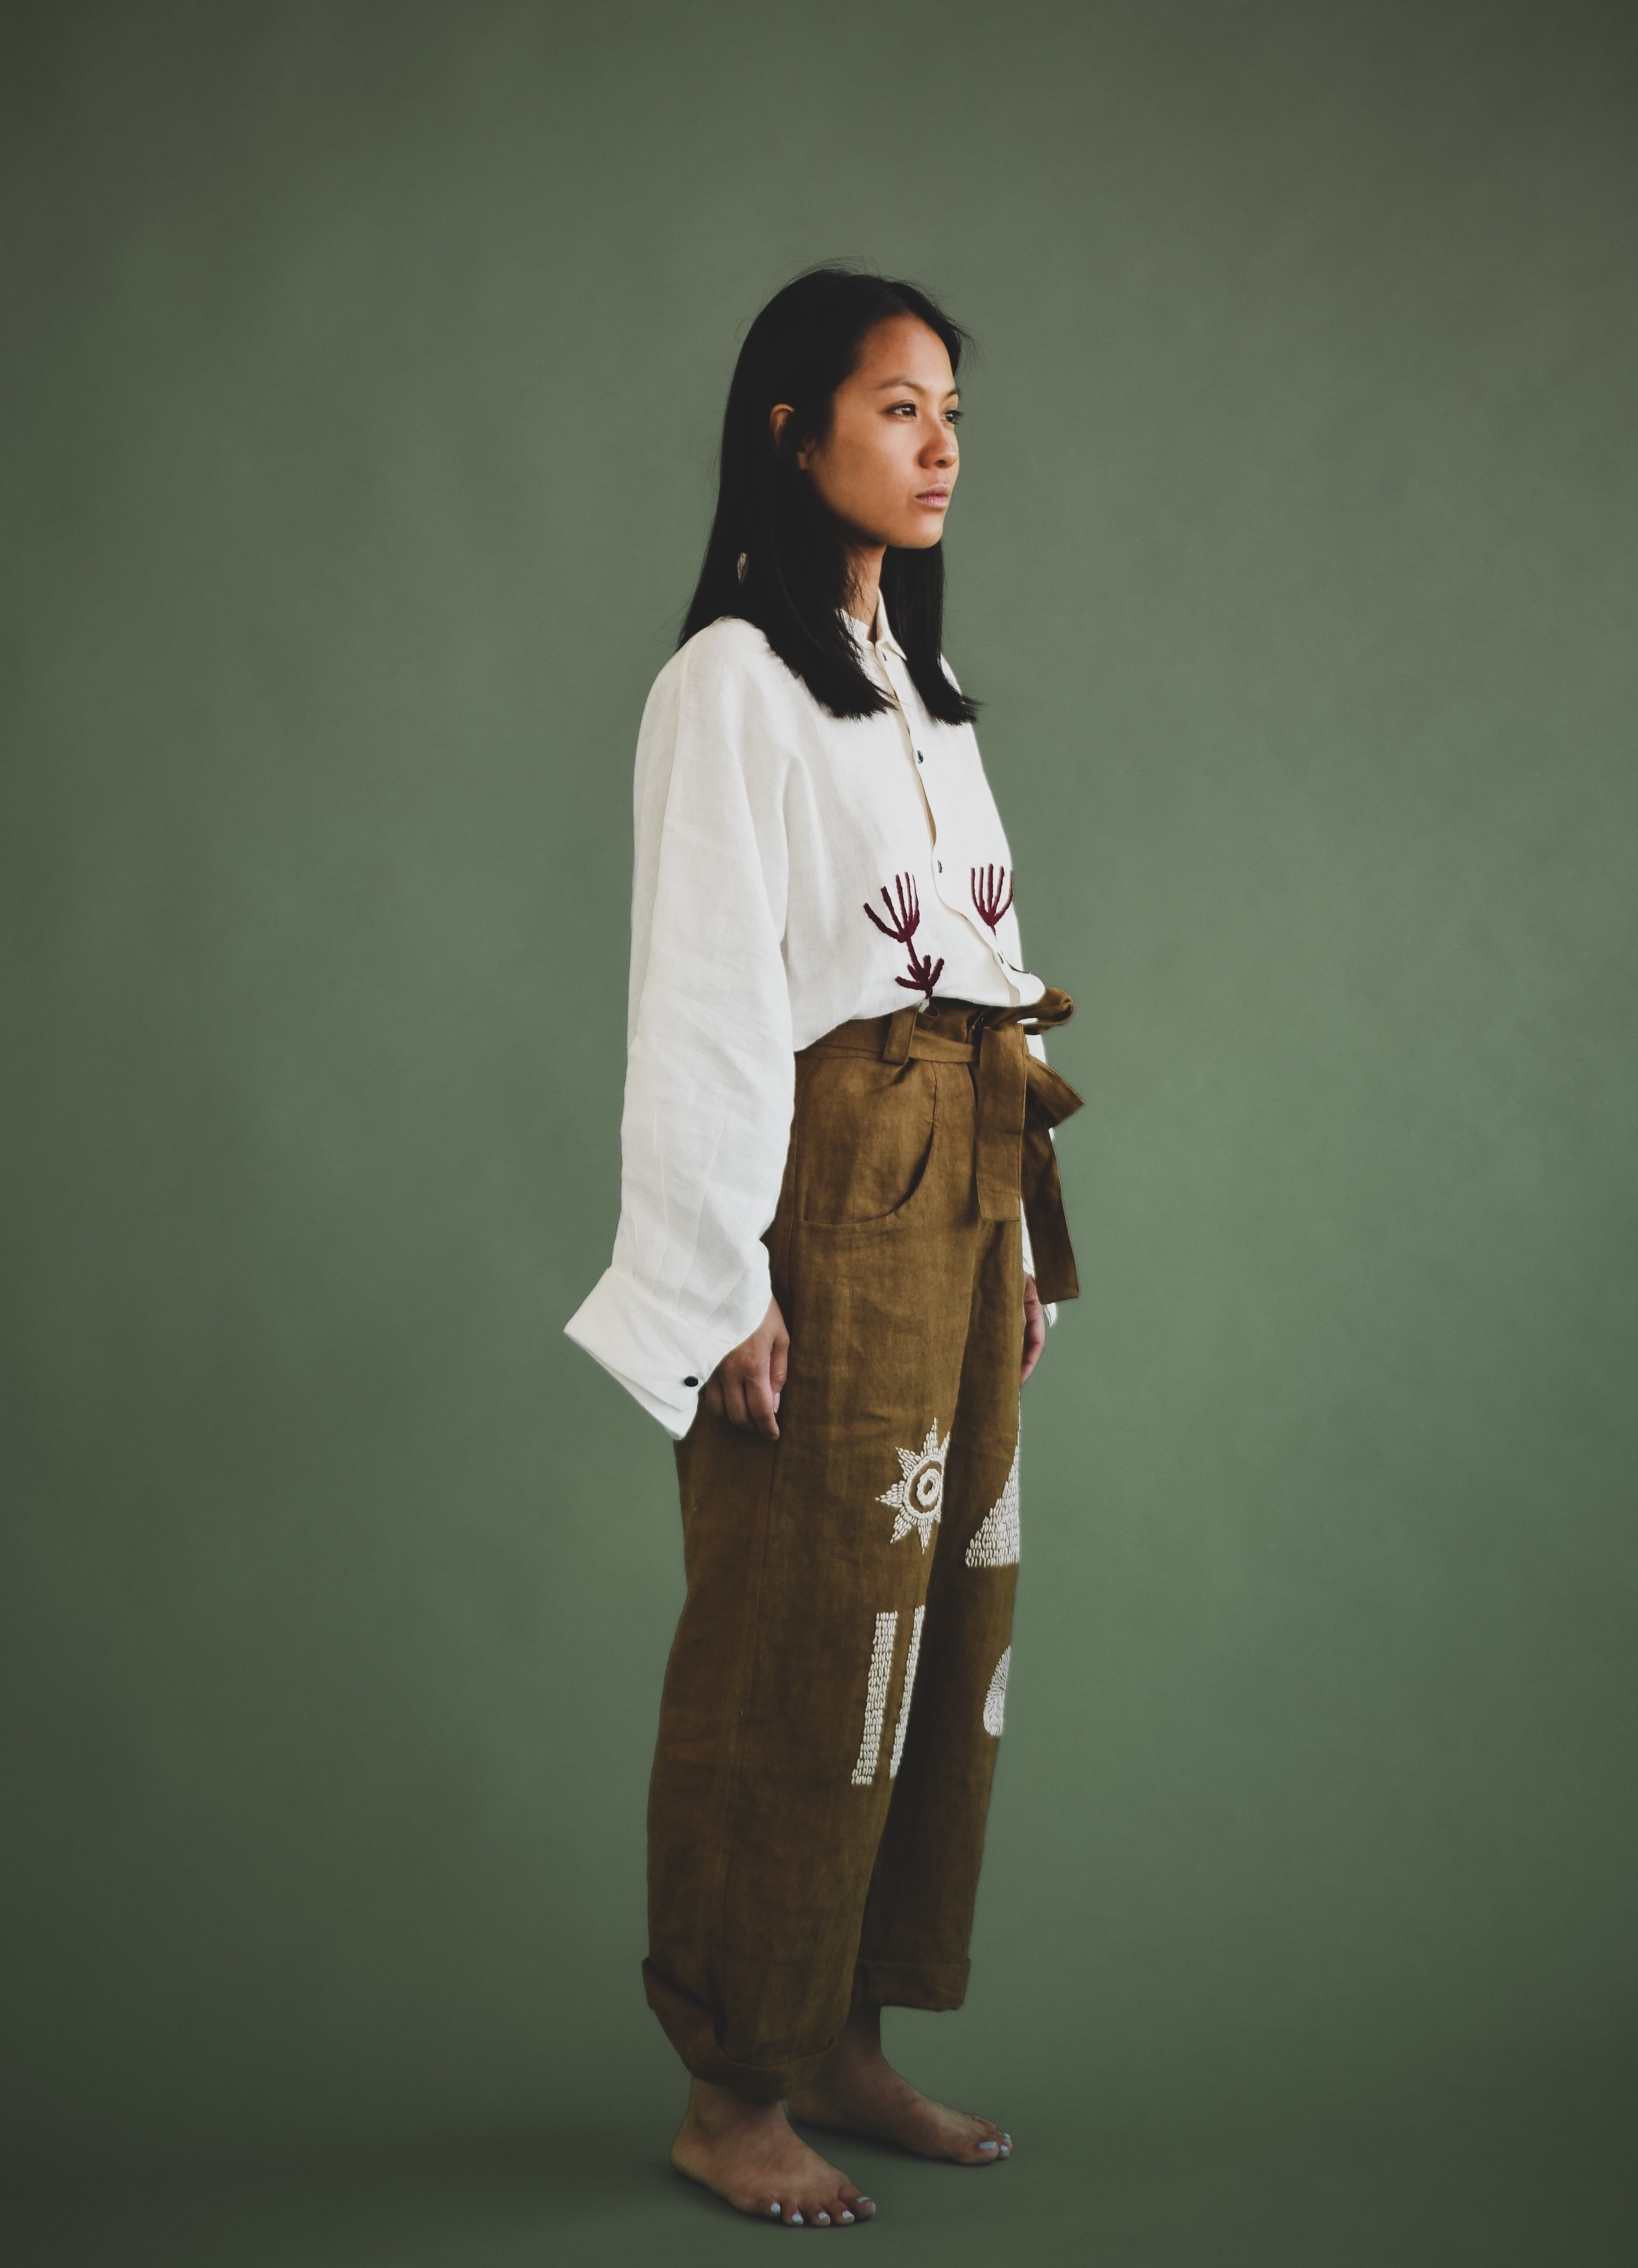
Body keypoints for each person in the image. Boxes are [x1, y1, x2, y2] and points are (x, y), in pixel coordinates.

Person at [566, 266, 1080, 2229]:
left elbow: (988, 977)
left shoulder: (922, 698)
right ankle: (730, 2083)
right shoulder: (731, 684)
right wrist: (719, 1283)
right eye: (897, 407)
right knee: (803, 1634)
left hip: (956, 1187)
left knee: (942, 1630)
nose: (942, 443)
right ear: (792, 432)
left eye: (953, 408)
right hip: (823, 1194)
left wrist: (1020, 1238)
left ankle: (852, 2034)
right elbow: (701, 990)